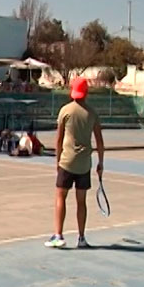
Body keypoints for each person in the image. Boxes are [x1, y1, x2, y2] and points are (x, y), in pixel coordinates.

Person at [45, 77, 104, 249]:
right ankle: (81, 238)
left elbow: (58, 140)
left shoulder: (65, 111)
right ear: (86, 93)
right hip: (84, 164)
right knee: (81, 201)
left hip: (67, 162)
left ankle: (58, 236)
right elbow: (100, 142)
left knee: (60, 197)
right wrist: (101, 164)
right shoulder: (92, 113)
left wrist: (58, 162)